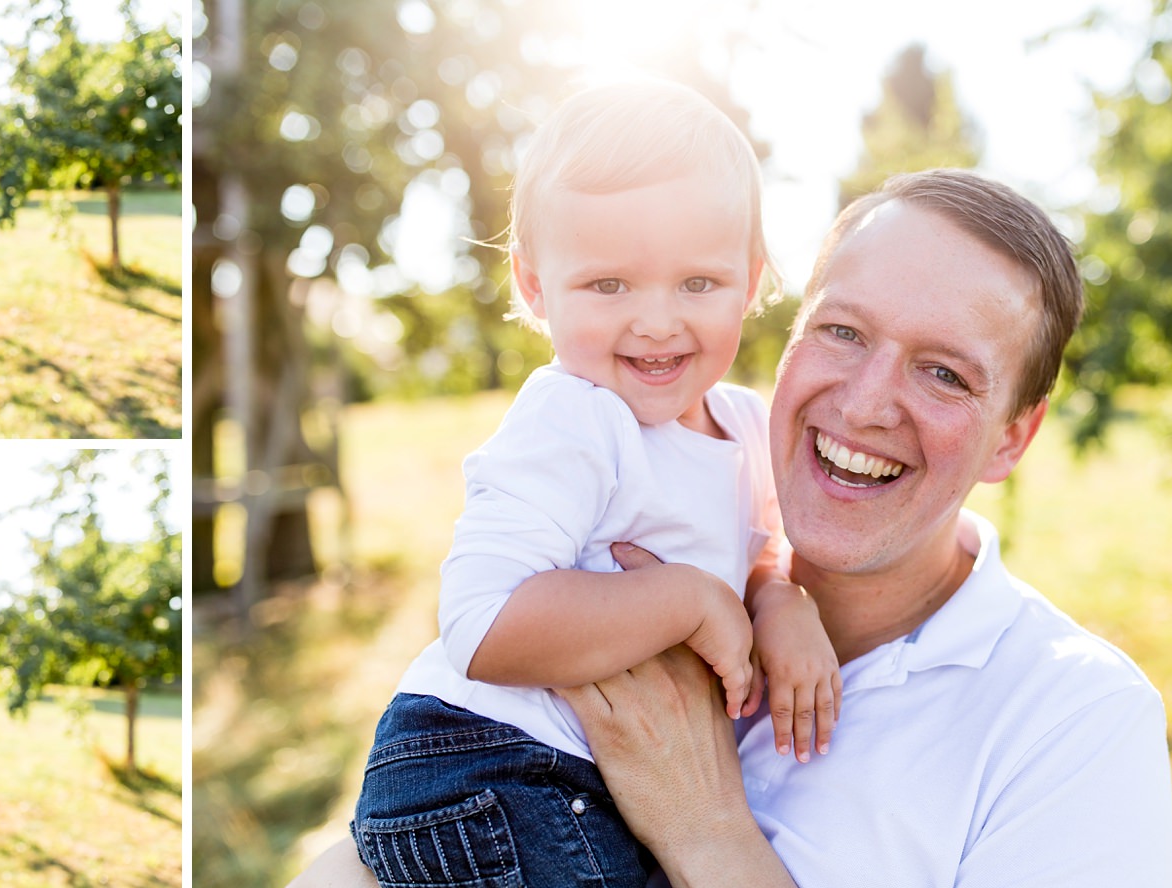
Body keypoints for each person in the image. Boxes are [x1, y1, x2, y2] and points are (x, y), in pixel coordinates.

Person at [293, 169, 1172, 887]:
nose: (866, 403)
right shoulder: (653, 547)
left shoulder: (1075, 720)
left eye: (944, 374)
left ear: (1014, 434)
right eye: (841, 331)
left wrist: (707, 833)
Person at [349, 79, 844, 888]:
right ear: (536, 288)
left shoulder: (747, 424)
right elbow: (480, 625)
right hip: (491, 766)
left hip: (576, 785)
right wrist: (687, 599)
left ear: (753, 281)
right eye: (609, 285)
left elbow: (762, 551)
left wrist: (779, 601)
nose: (655, 320)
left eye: (698, 283)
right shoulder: (575, 417)